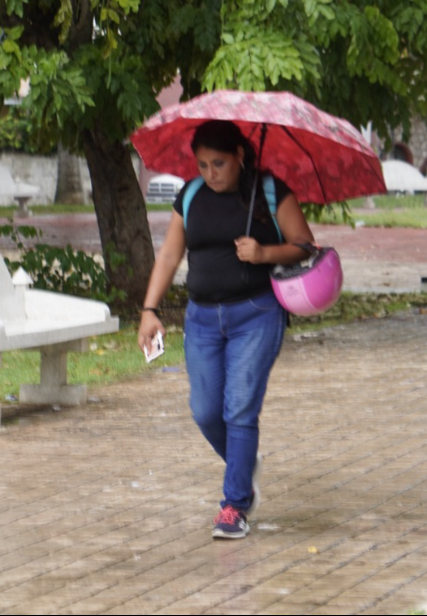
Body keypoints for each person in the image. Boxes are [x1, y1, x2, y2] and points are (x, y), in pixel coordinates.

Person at [137, 119, 316, 540]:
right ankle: (243, 462)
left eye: (218, 163)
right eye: (202, 165)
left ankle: (235, 505)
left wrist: (264, 252)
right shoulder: (192, 195)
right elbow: (168, 256)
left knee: (239, 407)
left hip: (256, 314)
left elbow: (306, 244)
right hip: (201, 318)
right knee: (204, 411)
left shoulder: (270, 192)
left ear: (239, 156)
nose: (210, 174)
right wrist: (149, 308)